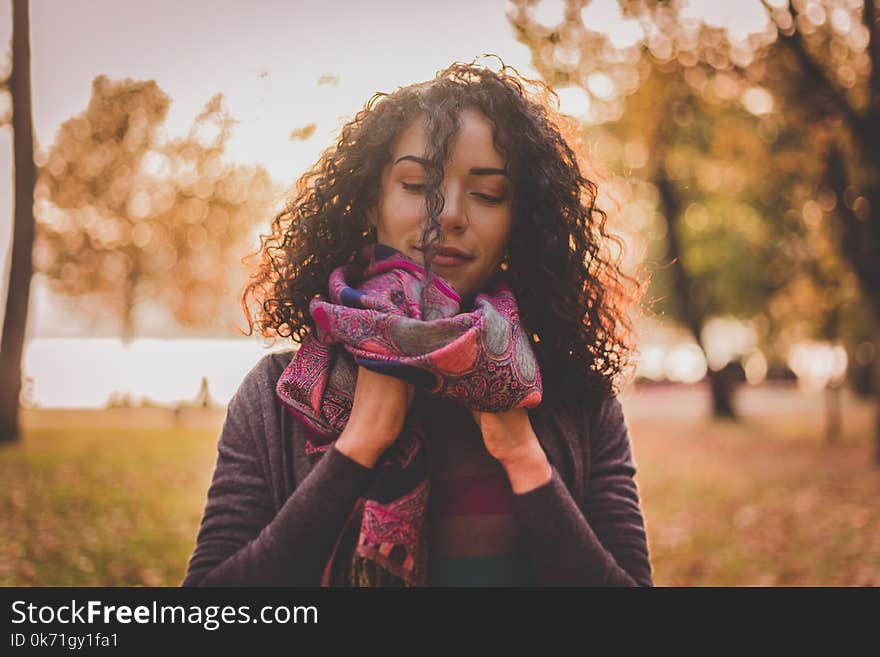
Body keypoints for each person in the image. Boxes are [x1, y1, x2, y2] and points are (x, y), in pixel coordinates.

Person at [182, 58, 653, 587]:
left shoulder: (578, 401)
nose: (448, 213)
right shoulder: (277, 397)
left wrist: (525, 459)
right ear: (370, 203)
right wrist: (358, 445)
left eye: (487, 193)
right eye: (415, 183)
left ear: (519, 222)